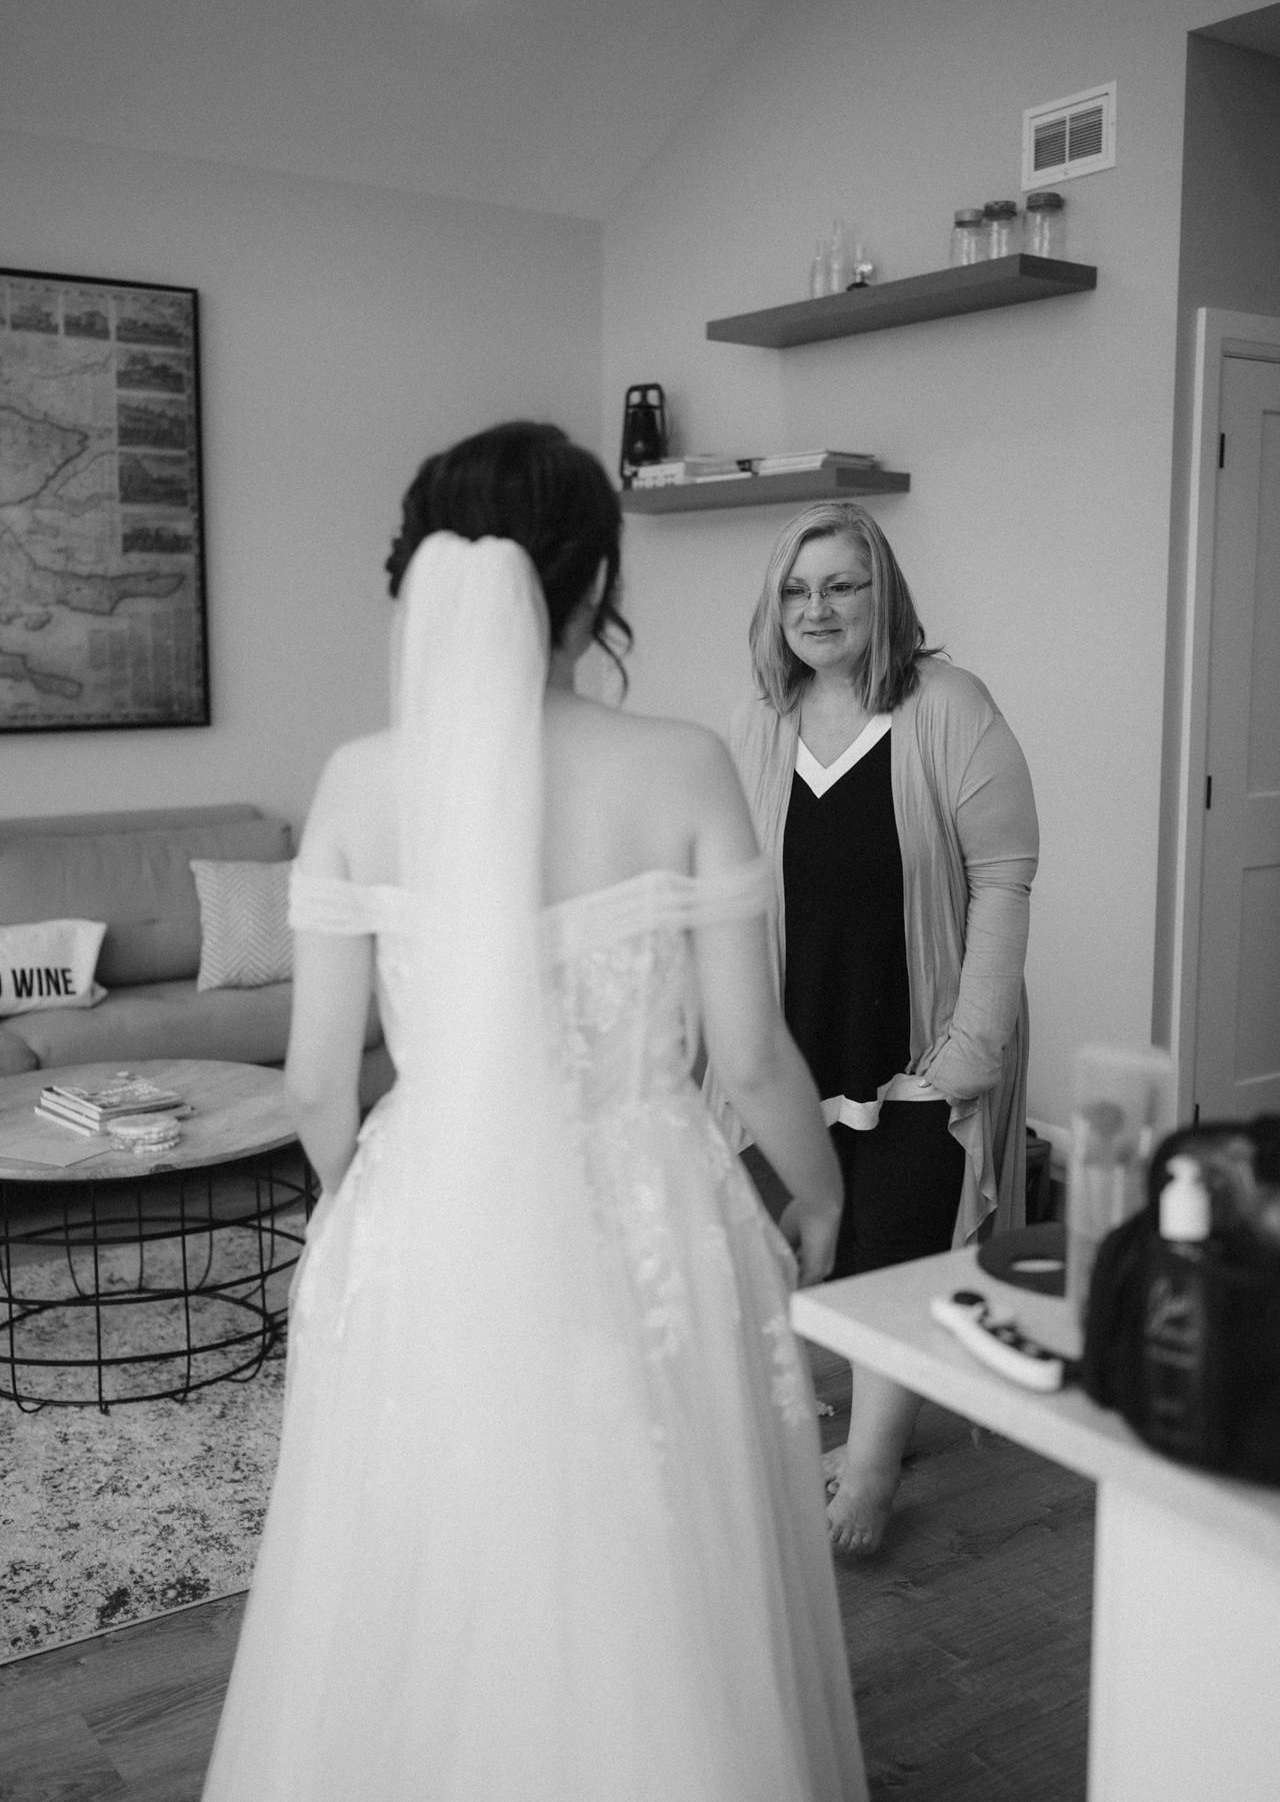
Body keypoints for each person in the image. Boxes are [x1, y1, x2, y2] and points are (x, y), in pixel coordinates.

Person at [201, 424, 867, 1802]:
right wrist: (818, 1190)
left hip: (421, 1205)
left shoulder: (351, 783)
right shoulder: (681, 763)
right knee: (653, 1549)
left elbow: (320, 1081)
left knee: (437, 1543)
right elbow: (750, 1056)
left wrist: (378, 1202)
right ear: (595, 583)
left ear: (425, 577)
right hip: (645, 1206)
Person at [708, 502, 1038, 1557]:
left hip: (921, 1039)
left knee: (899, 1248)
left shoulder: (945, 706)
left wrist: (971, 1045)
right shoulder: (761, 720)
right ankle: (816, 1416)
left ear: (880, 593)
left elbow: (1001, 876)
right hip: (797, 1033)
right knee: (797, 1233)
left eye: (840, 585)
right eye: (796, 590)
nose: (817, 607)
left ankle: (874, 1464)